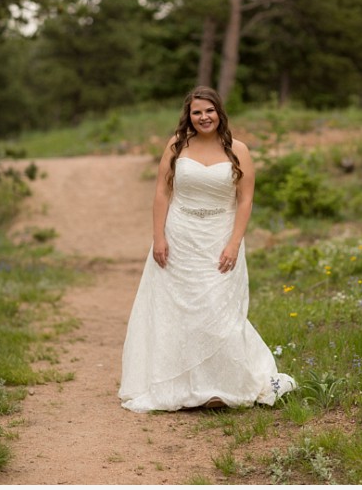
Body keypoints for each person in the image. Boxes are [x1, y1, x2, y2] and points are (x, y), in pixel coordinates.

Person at [119, 86, 296, 412]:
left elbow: (245, 199)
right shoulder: (176, 145)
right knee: (180, 312)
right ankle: (186, 386)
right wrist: (159, 237)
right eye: (197, 112)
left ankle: (223, 384)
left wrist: (233, 243)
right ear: (189, 115)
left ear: (219, 113)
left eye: (209, 111)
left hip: (219, 238)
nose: (204, 117)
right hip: (180, 236)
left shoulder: (237, 149)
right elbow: (161, 192)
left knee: (219, 310)